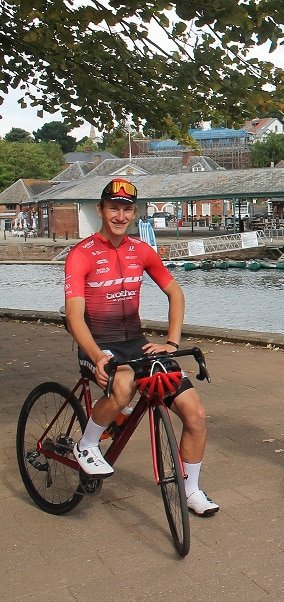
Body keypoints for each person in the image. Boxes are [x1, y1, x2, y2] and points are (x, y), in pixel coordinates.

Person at [64, 178, 219, 516]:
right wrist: (96, 356)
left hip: (137, 344)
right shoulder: (81, 254)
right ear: (101, 210)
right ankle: (87, 444)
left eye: (126, 209)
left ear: (134, 213)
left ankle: (190, 490)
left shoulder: (141, 250)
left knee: (196, 414)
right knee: (122, 389)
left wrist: (171, 342)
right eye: (113, 208)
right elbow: (74, 317)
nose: (120, 215)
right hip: (98, 344)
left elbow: (175, 293)